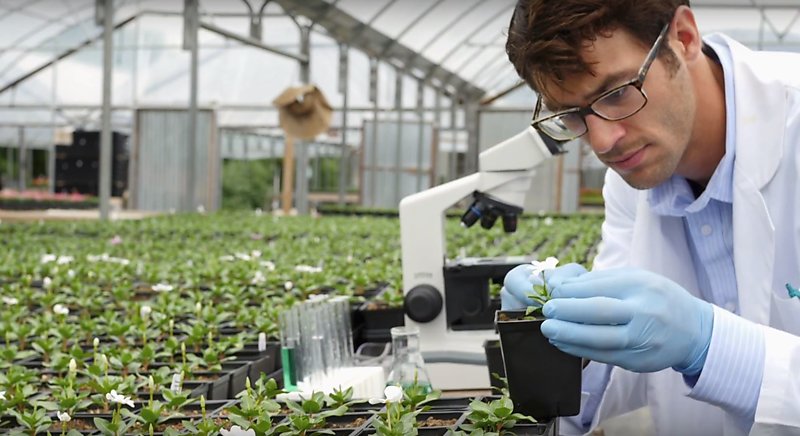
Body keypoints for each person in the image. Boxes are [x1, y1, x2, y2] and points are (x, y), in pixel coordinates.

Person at [500, 1, 800, 435]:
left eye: (617, 91)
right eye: (571, 114)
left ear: (684, 36)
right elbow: (631, 369)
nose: (603, 142)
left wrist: (710, 345)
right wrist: (562, 351)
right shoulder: (631, 175)